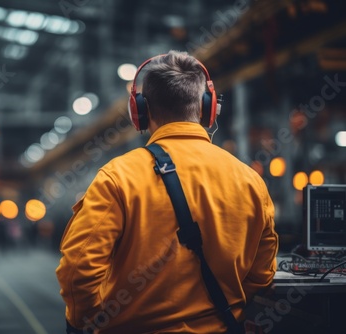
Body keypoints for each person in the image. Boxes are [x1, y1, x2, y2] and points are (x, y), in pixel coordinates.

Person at [55, 50, 278, 334]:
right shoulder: (250, 181)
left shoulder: (118, 177)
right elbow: (261, 276)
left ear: (140, 111)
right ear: (207, 107)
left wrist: (87, 321)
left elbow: (77, 271)